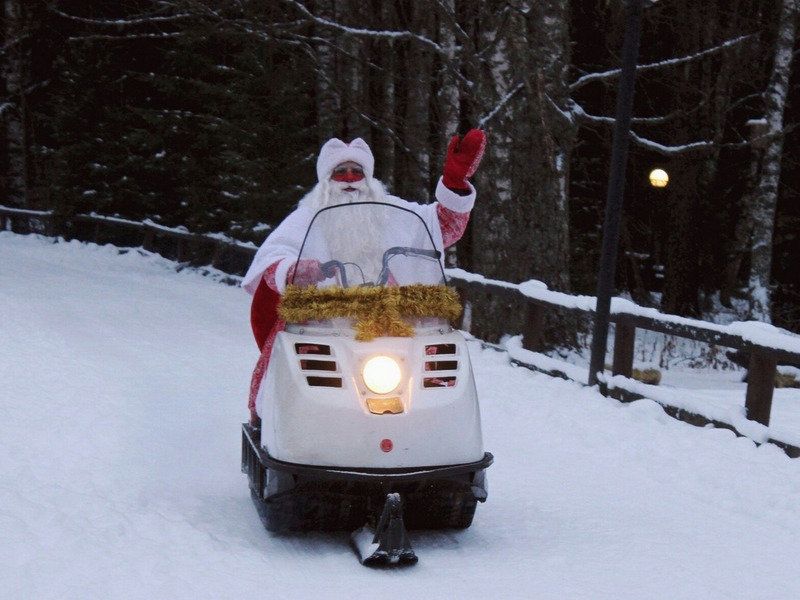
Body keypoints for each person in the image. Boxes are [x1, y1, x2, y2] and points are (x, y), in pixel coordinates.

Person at [242, 130, 487, 425]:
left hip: (389, 319)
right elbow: (273, 258)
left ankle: (430, 425)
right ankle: (291, 426)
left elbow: (442, 226)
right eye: (340, 171)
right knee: (292, 372)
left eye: (356, 171)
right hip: (322, 321)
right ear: (326, 178)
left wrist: (454, 184)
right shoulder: (306, 217)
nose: (349, 179)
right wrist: (295, 269)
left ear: (368, 177)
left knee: (426, 371)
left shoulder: (392, 212)